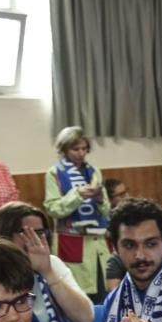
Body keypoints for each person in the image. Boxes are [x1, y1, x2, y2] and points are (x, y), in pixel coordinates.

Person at [0, 203, 94, 322]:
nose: (36, 239)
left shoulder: (52, 264)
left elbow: (85, 319)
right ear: (4, 236)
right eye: (26, 233)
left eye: (40, 232)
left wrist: (48, 272)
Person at [43, 126, 111, 304]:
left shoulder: (94, 171)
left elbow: (106, 210)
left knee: (104, 294)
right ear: (64, 149)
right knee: (78, 296)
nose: (81, 153)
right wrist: (78, 195)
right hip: (72, 241)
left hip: (98, 243)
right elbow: (53, 209)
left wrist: (99, 199)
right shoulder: (54, 173)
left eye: (84, 148)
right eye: (75, 149)